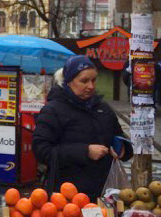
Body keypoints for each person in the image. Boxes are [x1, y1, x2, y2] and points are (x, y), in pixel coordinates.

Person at [32, 55, 133, 200]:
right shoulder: (53, 110)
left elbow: (118, 136)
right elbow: (41, 150)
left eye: (93, 80)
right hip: (67, 198)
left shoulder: (103, 108)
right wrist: (85, 151)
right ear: (69, 81)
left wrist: (123, 149)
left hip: (105, 194)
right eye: (84, 81)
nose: (91, 86)